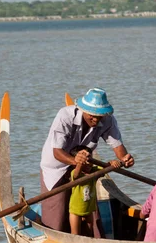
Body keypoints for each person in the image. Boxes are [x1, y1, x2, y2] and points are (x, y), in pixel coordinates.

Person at [40, 87, 134, 234]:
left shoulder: (108, 120)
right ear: (83, 110)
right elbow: (57, 152)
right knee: (56, 216)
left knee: (88, 206)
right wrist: (75, 161)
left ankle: (92, 242)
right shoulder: (65, 116)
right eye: (92, 116)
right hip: (56, 167)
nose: (96, 120)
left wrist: (125, 159)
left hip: (84, 166)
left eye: (99, 116)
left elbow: (117, 146)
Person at [68, 145, 121, 237]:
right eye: (86, 161)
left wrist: (112, 163)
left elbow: (106, 167)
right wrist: (80, 163)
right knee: (75, 234)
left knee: (89, 233)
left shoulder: (94, 172)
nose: (88, 163)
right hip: (75, 210)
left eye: (90, 160)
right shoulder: (75, 173)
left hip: (89, 210)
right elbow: (76, 176)